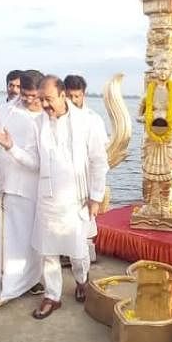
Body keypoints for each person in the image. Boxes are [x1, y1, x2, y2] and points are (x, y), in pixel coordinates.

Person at [30, 75, 108, 320]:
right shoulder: (38, 122)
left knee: (78, 250)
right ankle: (52, 296)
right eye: (41, 99)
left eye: (48, 99)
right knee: (47, 251)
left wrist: (96, 197)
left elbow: (99, 161)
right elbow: (36, 162)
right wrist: (11, 149)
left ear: (63, 95)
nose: (44, 105)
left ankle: (82, 280)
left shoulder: (89, 121)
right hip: (47, 198)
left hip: (77, 198)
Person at [0, 70, 44, 306]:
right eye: (24, 94)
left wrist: (12, 149)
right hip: (5, 188)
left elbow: (38, 163)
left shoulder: (46, 118)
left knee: (31, 243)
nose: (28, 100)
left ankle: (29, 282)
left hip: (32, 191)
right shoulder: (8, 109)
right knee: (3, 244)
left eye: (33, 96)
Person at [64, 73, 107, 262]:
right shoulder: (56, 117)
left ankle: (85, 267)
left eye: (77, 96)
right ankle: (66, 255)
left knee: (85, 225)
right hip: (63, 182)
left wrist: (96, 196)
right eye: (69, 96)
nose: (73, 100)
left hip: (85, 181)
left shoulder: (93, 119)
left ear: (83, 95)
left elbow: (99, 159)